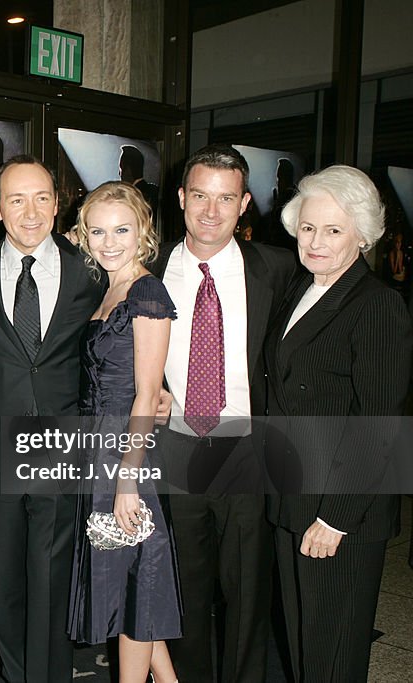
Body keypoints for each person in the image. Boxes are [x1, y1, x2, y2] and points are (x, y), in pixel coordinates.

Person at [0, 154, 104, 682]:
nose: (31, 211)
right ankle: (18, 673)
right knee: (4, 575)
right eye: (16, 199)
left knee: (53, 570)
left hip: (63, 442)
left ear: (58, 204)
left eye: (42, 197)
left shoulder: (92, 269)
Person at [150, 143, 295, 683]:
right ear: (182, 197)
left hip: (248, 452)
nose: (212, 211)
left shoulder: (278, 271)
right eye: (201, 196)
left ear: (245, 204)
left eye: (226, 198)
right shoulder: (150, 269)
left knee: (248, 595)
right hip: (176, 448)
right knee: (184, 592)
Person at [265, 165, 412, 682]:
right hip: (294, 497)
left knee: (333, 655)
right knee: (304, 644)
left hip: (341, 511)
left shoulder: (377, 305)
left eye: (333, 230)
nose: (316, 241)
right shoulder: (301, 290)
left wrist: (337, 518)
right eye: (308, 227)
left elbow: (379, 422)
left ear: (363, 235)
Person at [67, 181, 180, 682]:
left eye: (122, 229)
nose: (109, 241)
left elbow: (145, 393)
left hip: (126, 455)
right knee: (129, 579)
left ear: (143, 231)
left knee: (136, 582)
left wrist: (127, 482)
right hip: (99, 450)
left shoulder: (147, 291)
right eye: (97, 230)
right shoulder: (108, 286)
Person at [118, 145, 159, 214]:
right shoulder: (155, 190)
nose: (119, 173)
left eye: (121, 169)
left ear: (128, 170)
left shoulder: (130, 197)